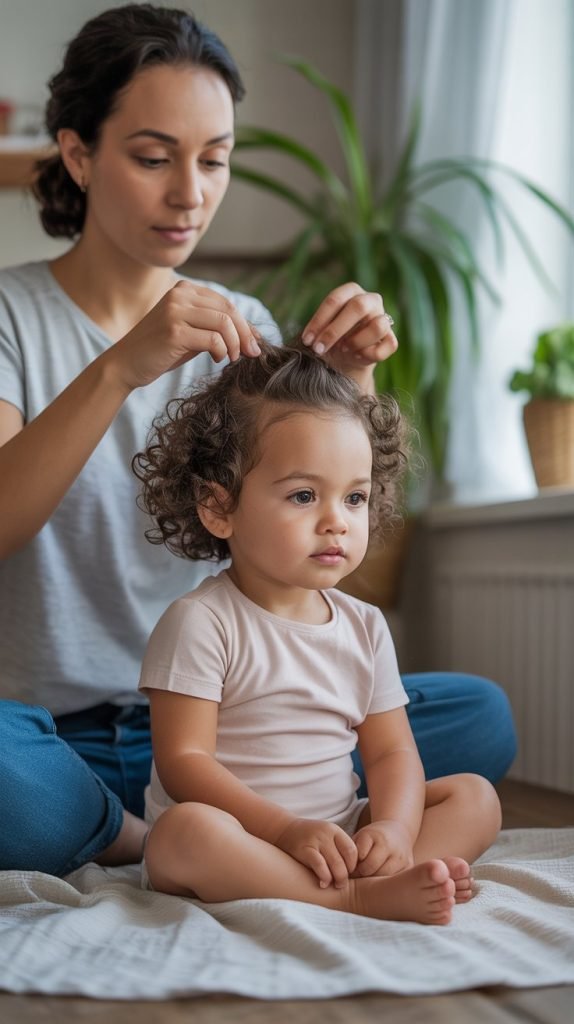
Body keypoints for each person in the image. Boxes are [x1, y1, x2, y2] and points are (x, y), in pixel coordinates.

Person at [0, 3, 515, 879]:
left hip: (238, 726)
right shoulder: (13, 316)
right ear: (79, 153)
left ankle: (204, 830)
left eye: (215, 160)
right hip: (64, 733)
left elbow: (320, 517)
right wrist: (120, 367)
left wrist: (353, 382)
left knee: (478, 715)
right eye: (154, 157)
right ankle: (130, 833)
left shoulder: (247, 325)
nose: (190, 194)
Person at [134, 343, 501, 924]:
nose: (337, 519)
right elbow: (184, 762)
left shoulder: (364, 625)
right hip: (248, 837)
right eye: (304, 495)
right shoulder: (201, 621)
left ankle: (387, 873)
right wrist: (284, 829)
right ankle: (355, 899)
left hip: (337, 833)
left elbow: (391, 751)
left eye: (354, 497)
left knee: (474, 796)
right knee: (184, 832)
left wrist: (394, 829)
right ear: (218, 506)